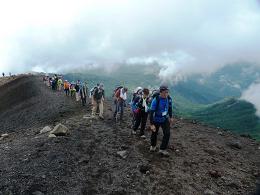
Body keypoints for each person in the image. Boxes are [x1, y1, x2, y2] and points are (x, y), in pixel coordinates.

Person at [149, 85, 173, 156]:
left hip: (164, 118)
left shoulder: (169, 99)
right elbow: (151, 112)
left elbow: (170, 108)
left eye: (167, 92)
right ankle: (153, 146)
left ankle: (162, 149)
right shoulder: (156, 100)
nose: (167, 94)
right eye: (165, 92)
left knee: (167, 133)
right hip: (156, 119)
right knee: (154, 133)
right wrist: (151, 124)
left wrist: (171, 117)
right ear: (160, 92)